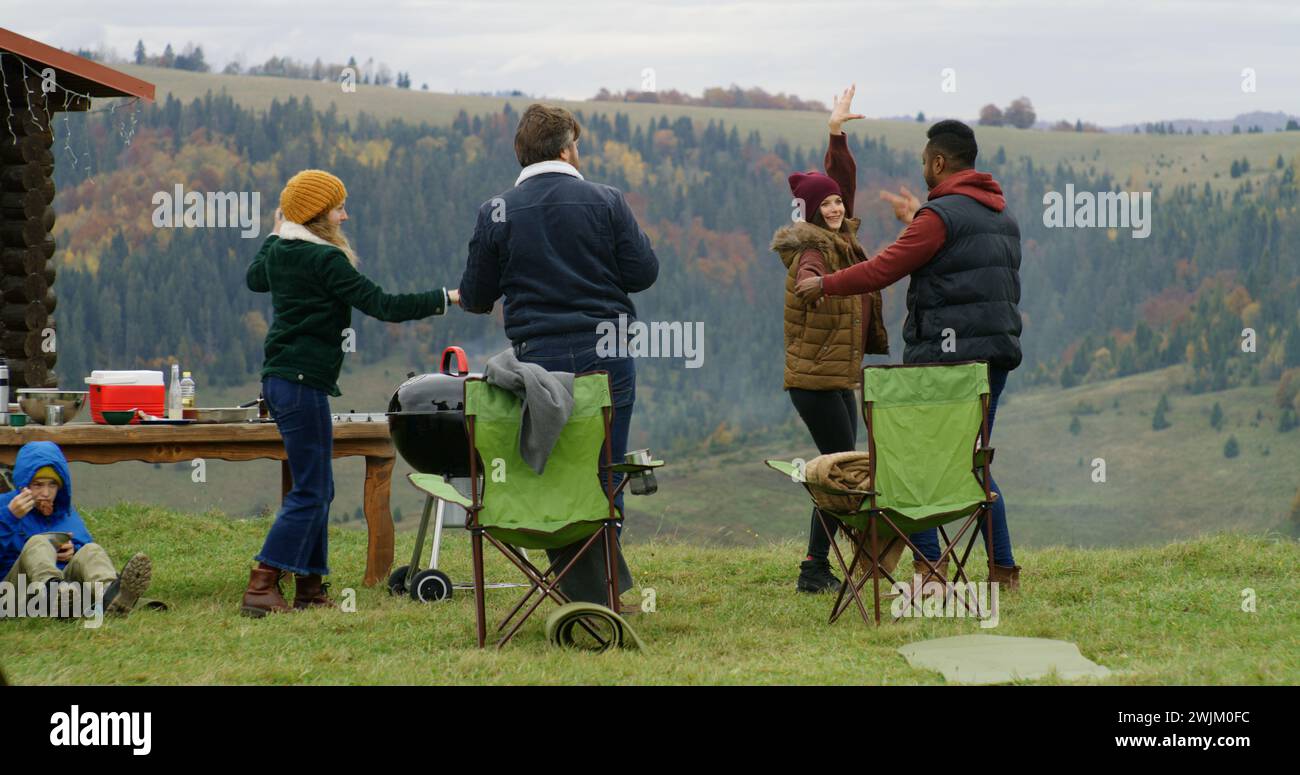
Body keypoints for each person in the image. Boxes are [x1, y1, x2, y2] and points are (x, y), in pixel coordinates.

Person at [795, 119, 1024, 590]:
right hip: (993, 360)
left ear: (939, 162)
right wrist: (919, 217)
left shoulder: (938, 218)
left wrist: (826, 284)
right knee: (971, 464)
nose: (923, 168)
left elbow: (883, 268)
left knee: (912, 463)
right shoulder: (1000, 215)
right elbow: (959, 259)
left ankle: (931, 569)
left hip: (944, 363)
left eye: (924, 162)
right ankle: (1002, 570)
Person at [458, 103, 659, 607]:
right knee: (604, 470)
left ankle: (582, 593)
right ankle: (604, 595)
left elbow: (478, 297)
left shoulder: (496, 210)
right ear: (568, 148)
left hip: (537, 361)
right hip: (607, 354)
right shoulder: (606, 200)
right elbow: (643, 273)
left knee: (551, 470)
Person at [243, 169, 459, 616]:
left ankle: (310, 588)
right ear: (320, 217)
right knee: (311, 490)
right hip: (300, 384)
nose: (345, 214)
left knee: (317, 488)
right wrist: (448, 297)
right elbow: (384, 305)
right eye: (338, 208)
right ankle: (262, 584)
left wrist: (276, 228)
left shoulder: (282, 251)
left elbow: (254, 278)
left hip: (287, 381)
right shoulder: (326, 262)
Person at [771, 85, 892, 593]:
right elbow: (809, 276)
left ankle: (820, 566)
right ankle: (819, 568)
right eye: (828, 205)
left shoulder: (841, 238)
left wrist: (835, 132)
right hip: (815, 381)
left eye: (840, 202)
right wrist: (812, 288)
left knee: (836, 471)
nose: (837, 208)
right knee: (838, 473)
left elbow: (837, 181)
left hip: (837, 376)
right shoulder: (813, 250)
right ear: (812, 213)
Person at [0, 441, 152, 616]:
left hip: (68, 591)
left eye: (52, 485)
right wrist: (10, 517)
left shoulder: (64, 512)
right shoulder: (6, 506)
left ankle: (111, 595)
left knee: (90, 550)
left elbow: (84, 551)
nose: (46, 493)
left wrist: (73, 551)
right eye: (38, 484)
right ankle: (55, 594)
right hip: (13, 594)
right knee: (38, 542)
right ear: (23, 485)